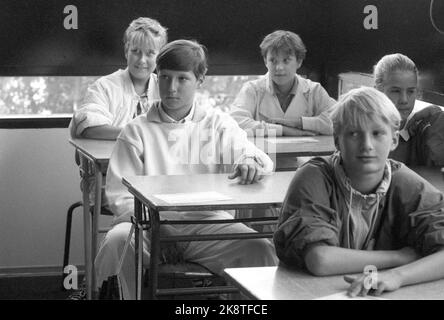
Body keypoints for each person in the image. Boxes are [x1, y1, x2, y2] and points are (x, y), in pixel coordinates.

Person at [95, 39, 278, 299]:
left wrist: (249, 161)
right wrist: (158, 227)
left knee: (259, 249)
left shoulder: (217, 124)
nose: (171, 88)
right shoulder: (137, 130)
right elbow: (120, 196)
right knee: (116, 244)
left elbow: (256, 156)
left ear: (200, 80)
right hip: (146, 226)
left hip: (205, 225)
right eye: (165, 77)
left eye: (182, 79)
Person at [274, 87, 444, 297]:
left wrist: (396, 276)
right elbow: (320, 259)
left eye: (377, 133)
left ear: (394, 140)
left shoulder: (407, 183)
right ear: (337, 140)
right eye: (354, 134)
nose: (367, 145)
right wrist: (402, 257)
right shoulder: (314, 176)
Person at [69, 17, 168, 139]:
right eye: (136, 51)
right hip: (113, 157)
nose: (142, 60)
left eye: (150, 53)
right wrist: (139, 134)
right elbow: (88, 128)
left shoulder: (167, 87)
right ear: (127, 52)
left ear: (159, 57)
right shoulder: (104, 87)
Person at [230, 30, 336, 138]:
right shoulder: (252, 89)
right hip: (262, 154)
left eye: (286, 60)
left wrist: (300, 123)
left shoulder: (314, 90)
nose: (279, 67)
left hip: (307, 154)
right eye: (273, 60)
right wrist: (283, 130)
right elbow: (235, 124)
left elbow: (338, 122)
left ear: (299, 62)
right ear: (265, 61)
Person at [374, 53, 444, 166]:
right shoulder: (356, 131)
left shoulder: (426, 130)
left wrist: (439, 123)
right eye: (396, 91)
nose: (404, 100)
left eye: (411, 91)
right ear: (377, 91)